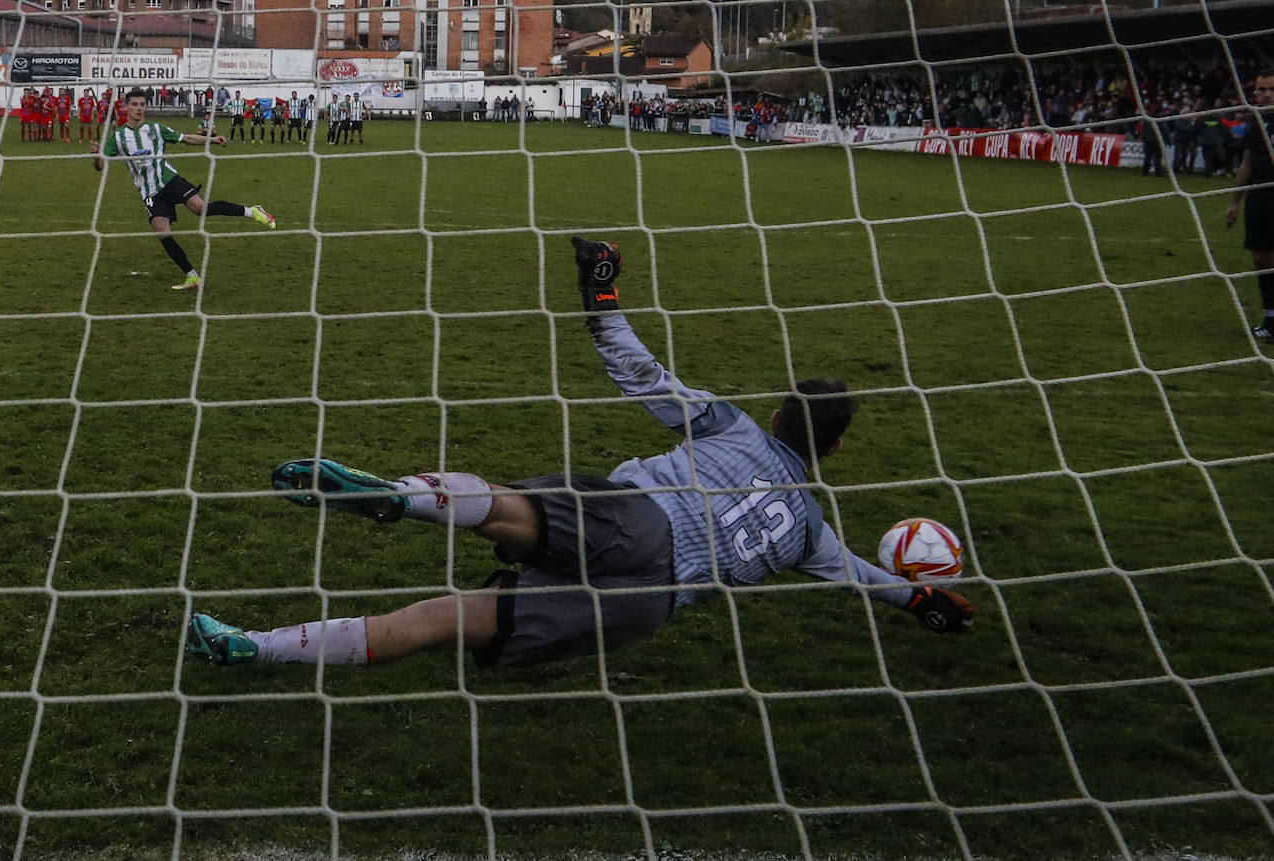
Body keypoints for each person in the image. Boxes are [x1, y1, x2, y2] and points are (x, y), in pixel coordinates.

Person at [185, 238, 978, 668]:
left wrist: (602, 293)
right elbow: (874, 583)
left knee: (506, 510)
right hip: (654, 598)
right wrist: (927, 602)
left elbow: (642, 373)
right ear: (832, 449)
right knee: (445, 621)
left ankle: (404, 494)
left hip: (639, 516)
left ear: (777, 412)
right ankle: (252, 652)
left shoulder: (731, 424)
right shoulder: (811, 531)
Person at [89, 87, 277, 292]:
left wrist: (212, 140)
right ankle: (192, 276)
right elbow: (100, 167)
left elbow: (187, 138)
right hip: (149, 191)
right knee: (163, 232)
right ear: (126, 107)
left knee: (200, 208)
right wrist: (96, 156)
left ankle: (253, 211)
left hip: (170, 180)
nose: (139, 109)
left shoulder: (156, 129)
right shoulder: (117, 138)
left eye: (142, 105)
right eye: (134, 104)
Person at [1226, 69, 1274, 344]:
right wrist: (1234, 203)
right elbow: (1246, 164)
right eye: (1261, 89)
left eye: (1271, 89)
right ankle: (1270, 319)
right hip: (1258, 197)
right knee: (1262, 259)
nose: (1265, 94)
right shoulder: (1255, 122)